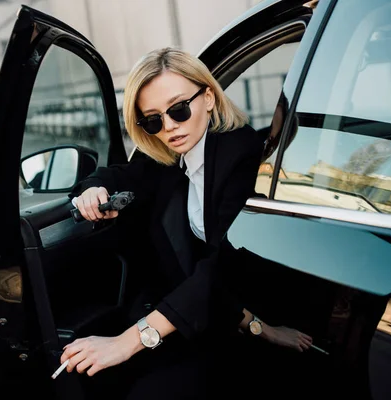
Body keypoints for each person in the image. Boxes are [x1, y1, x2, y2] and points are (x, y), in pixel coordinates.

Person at [60, 47, 313, 399]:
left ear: (208, 97)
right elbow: (123, 175)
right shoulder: (175, 156)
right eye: (152, 120)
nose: (169, 127)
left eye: (179, 109)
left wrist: (131, 340)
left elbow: (221, 268)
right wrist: (93, 190)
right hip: (209, 312)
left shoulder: (239, 154)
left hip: (240, 313)